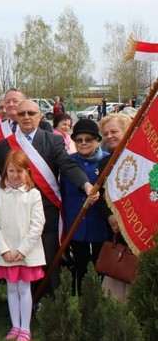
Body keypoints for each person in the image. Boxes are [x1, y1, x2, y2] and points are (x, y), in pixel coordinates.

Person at [0, 99, 93, 296]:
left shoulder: (53, 140)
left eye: (31, 113)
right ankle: (28, 300)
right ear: (15, 116)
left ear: (40, 116)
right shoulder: (6, 145)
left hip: (46, 209)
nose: (26, 117)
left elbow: (68, 165)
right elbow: (2, 176)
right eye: (22, 113)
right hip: (17, 212)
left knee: (50, 256)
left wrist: (85, 184)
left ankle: (52, 301)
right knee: (23, 258)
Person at [0, 150, 45, 341]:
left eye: (19, 171)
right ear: (6, 172)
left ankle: (26, 328)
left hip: (25, 253)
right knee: (11, 288)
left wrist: (22, 250)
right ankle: (15, 325)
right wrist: (4, 249)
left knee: (24, 289)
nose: (15, 175)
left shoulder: (33, 195)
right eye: (11, 171)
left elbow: (37, 225)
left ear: (27, 172)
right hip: (7, 254)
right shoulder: (0, 195)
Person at [60, 119, 110, 295]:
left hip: (100, 224)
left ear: (97, 140)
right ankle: (82, 304)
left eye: (88, 139)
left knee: (100, 266)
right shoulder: (68, 162)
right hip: (76, 223)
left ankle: (100, 303)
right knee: (80, 265)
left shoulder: (108, 161)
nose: (83, 143)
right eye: (79, 140)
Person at [96, 113, 133, 300]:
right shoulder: (105, 163)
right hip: (117, 233)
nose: (109, 136)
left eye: (114, 131)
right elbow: (102, 197)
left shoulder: (142, 160)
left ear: (127, 131)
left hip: (139, 229)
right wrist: (110, 216)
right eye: (105, 133)